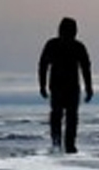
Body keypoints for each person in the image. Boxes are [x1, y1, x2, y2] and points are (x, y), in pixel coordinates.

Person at [38, 17, 93, 154]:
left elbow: (86, 68)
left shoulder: (77, 47)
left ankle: (68, 144)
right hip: (58, 87)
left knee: (70, 117)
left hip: (70, 87)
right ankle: (58, 142)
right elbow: (43, 65)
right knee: (59, 116)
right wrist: (42, 85)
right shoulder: (53, 45)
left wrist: (89, 87)